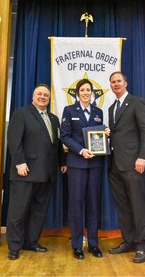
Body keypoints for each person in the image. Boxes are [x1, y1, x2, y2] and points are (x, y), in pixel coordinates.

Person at [6, 84, 67, 260]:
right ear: (32, 97)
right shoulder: (21, 113)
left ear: (49, 99)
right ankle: (14, 247)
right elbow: (14, 141)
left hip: (47, 173)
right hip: (25, 171)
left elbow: (56, 143)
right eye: (39, 94)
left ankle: (31, 242)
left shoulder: (54, 119)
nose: (42, 97)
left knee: (38, 211)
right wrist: (19, 163)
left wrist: (62, 162)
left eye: (45, 95)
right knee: (18, 212)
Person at [105, 71, 145, 263]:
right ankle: (128, 241)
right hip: (115, 165)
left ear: (126, 83)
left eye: (118, 81)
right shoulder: (111, 108)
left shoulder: (137, 102)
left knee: (138, 205)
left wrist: (142, 157)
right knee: (123, 206)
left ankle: (141, 245)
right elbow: (121, 133)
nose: (116, 84)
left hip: (134, 164)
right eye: (113, 82)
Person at [60, 79, 104, 260]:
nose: (86, 92)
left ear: (92, 93)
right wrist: (80, 150)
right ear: (77, 93)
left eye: (88, 90)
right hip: (76, 164)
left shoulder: (98, 112)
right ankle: (77, 245)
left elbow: (99, 136)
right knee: (76, 205)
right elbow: (65, 136)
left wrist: (106, 134)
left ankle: (93, 244)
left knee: (94, 205)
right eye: (82, 90)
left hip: (95, 165)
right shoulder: (69, 111)